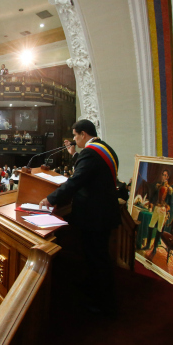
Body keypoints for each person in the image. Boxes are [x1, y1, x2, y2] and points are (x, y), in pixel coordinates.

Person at [38, 119, 120, 314]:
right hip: (104, 211)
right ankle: (95, 289)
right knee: (97, 256)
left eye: (75, 135)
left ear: (83, 134)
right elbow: (91, 173)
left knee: (96, 257)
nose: (74, 139)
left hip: (95, 216)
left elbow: (76, 181)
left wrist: (50, 199)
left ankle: (103, 303)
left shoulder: (91, 154)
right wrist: (74, 155)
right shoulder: (106, 148)